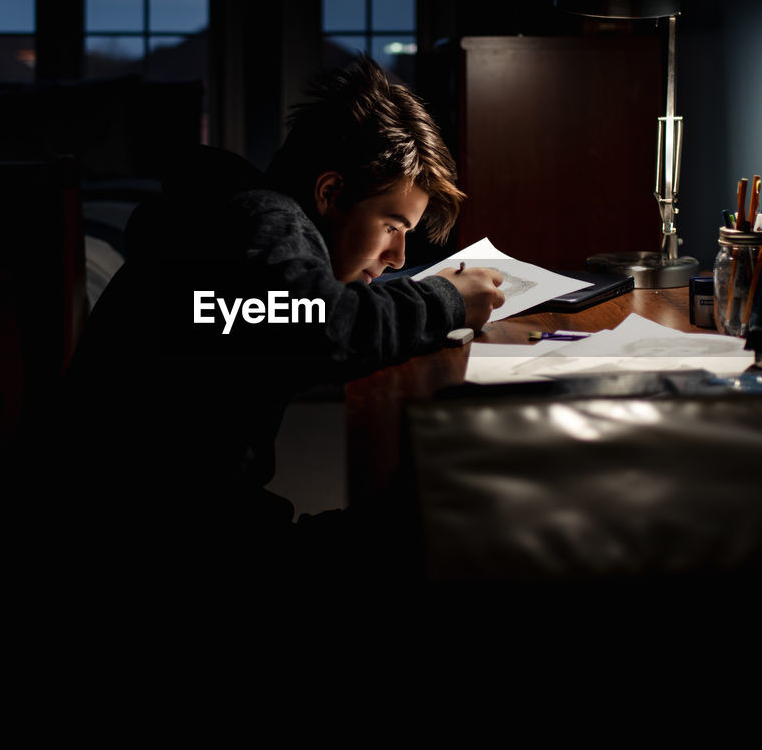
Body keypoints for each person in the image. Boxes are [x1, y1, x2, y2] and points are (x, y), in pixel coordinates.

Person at [59, 56, 503, 582]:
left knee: (425, 518)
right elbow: (317, 328)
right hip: (156, 551)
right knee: (444, 533)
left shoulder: (233, 223)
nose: (399, 256)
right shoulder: (262, 222)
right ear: (331, 193)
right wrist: (445, 300)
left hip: (175, 527)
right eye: (392, 226)